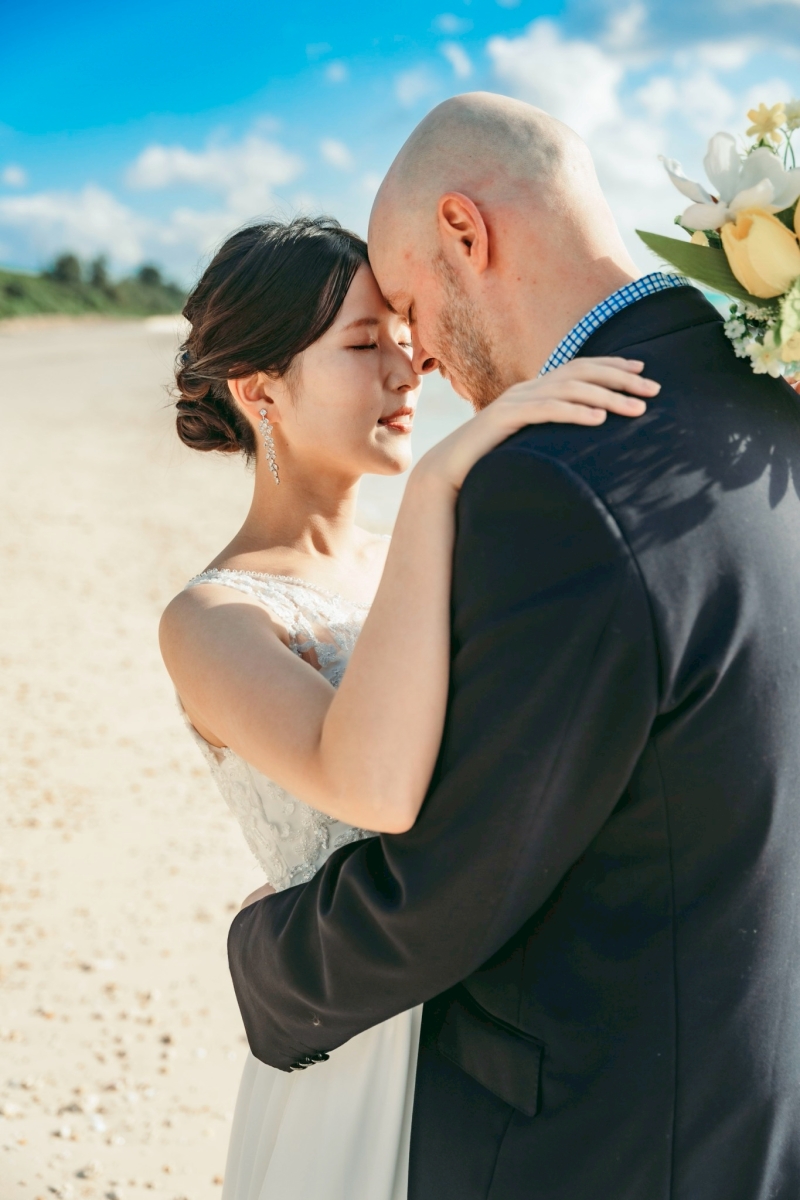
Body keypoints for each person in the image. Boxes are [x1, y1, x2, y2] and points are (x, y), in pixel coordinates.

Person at [225, 94, 800, 1200]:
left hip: (604, 1140)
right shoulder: (761, 398)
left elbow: (457, 879)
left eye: (403, 303)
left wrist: (265, 959)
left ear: (463, 232)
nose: (417, 362)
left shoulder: (554, 484)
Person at [159, 214, 652, 1200]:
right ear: (259, 391)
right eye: (358, 347)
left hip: (497, 1020)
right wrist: (438, 482)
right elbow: (372, 786)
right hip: (353, 1039)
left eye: (400, 338)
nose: (404, 372)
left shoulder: (418, 549)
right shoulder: (213, 618)